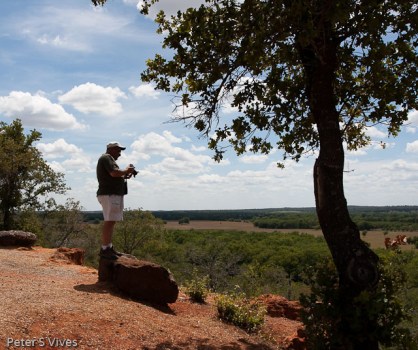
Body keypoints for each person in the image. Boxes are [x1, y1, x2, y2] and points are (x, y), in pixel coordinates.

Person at [96, 141, 135, 260]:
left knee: (111, 220)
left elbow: (115, 174)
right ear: (111, 149)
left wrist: (124, 175)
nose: (120, 154)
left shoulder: (108, 159)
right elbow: (114, 173)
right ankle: (105, 249)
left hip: (112, 194)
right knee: (110, 221)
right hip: (109, 194)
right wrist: (127, 170)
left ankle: (108, 247)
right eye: (118, 150)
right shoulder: (106, 157)